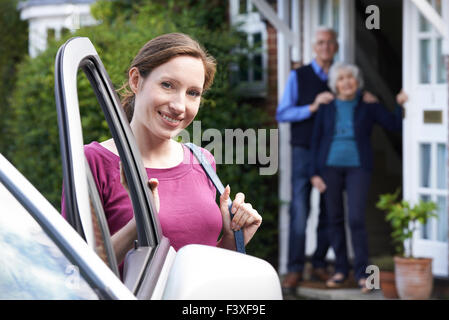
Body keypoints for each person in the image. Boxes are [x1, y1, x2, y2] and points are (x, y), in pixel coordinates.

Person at [62, 33, 262, 276]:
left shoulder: (202, 161)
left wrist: (233, 237)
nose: (179, 106)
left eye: (193, 93)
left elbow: (204, 275)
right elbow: (74, 271)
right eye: (168, 85)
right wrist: (139, 225)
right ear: (136, 80)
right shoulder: (92, 162)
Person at [309, 62, 408, 293]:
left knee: (355, 219)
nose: (346, 82)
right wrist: (314, 173)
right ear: (335, 84)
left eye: (350, 78)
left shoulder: (368, 104)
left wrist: (398, 104)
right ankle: (341, 269)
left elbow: (393, 124)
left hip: (358, 167)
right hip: (329, 167)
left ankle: (363, 273)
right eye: (341, 79)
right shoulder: (327, 106)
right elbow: (316, 140)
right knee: (334, 219)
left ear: (357, 81)